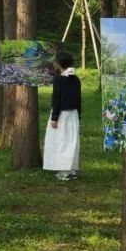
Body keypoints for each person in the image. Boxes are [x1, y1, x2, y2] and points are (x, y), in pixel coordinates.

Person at [45, 52, 81, 181]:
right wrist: (79, 115)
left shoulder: (58, 79)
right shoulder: (76, 79)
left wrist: (54, 118)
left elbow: (56, 99)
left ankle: (64, 171)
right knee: (72, 142)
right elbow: (78, 99)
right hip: (74, 114)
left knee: (61, 142)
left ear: (59, 64)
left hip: (62, 115)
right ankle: (72, 169)